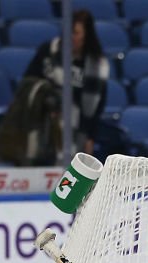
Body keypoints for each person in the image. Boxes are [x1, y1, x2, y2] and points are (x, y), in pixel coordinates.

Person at [23, 8, 109, 159]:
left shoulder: (97, 66)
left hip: (76, 132)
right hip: (40, 124)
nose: (70, 37)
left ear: (87, 36)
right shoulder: (48, 51)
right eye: (68, 31)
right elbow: (28, 82)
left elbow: (96, 108)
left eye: (76, 33)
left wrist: (90, 136)